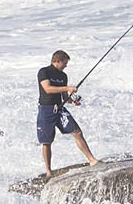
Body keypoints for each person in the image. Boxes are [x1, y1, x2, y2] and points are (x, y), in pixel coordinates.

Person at [37, 50, 99, 178]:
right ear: (57, 61)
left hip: (59, 109)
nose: (66, 66)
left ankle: (92, 160)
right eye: (64, 63)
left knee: (77, 132)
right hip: (46, 110)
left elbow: (64, 96)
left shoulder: (63, 76)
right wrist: (68, 88)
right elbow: (48, 89)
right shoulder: (44, 72)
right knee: (47, 141)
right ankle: (49, 171)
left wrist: (72, 101)